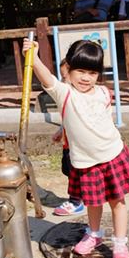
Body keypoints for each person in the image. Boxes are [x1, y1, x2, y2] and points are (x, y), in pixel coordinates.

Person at [22, 38, 129, 258]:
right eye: (81, 71)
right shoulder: (65, 93)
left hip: (112, 154)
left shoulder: (104, 93)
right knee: (93, 202)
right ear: (68, 69)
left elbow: (95, 119)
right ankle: (94, 235)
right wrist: (34, 57)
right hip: (86, 162)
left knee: (118, 201)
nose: (86, 78)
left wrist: (64, 127)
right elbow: (47, 78)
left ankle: (120, 243)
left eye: (93, 73)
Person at [52, 59, 85, 216]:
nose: (63, 81)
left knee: (75, 173)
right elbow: (67, 119)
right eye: (62, 77)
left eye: (65, 77)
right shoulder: (67, 96)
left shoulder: (80, 97)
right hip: (68, 143)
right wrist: (61, 130)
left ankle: (75, 201)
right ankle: (81, 196)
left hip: (77, 145)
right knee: (68, 170)